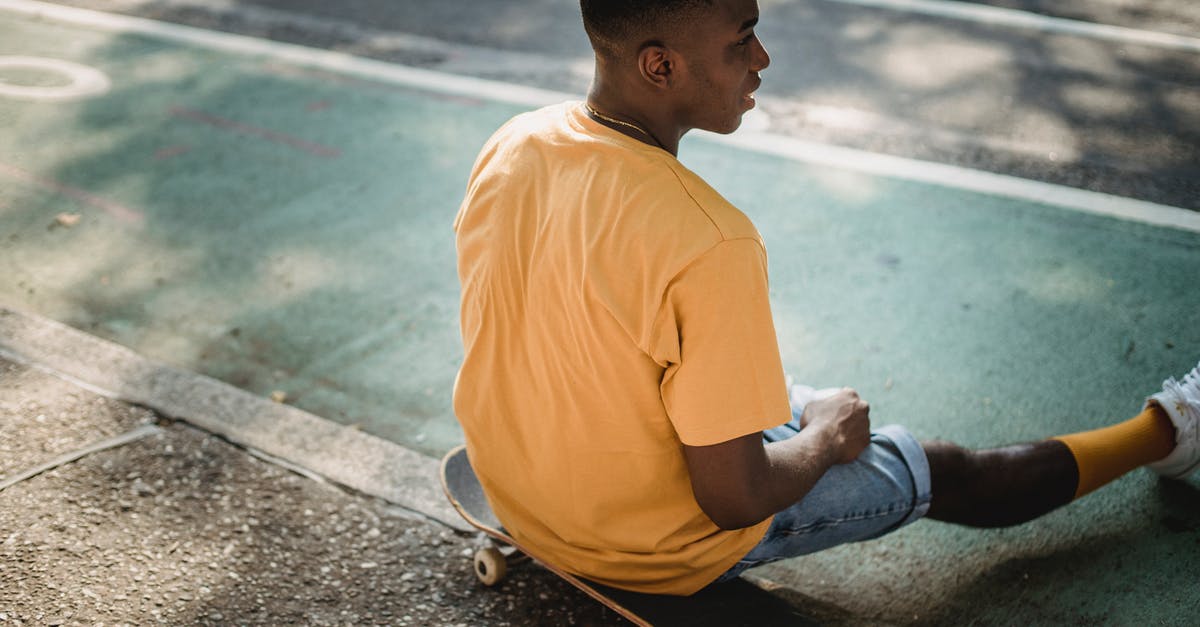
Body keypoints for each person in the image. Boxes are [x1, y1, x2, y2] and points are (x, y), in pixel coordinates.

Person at [452, 0, 1200, 596]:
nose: (762, 58)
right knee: (945, 467)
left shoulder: (515, 141)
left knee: (773, 399)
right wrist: (823, 441)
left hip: (517, 489)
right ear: (660, 64)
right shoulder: (709, 239)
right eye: (742, 38)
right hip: (652, 544)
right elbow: (735, 499)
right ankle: (1167, 432)